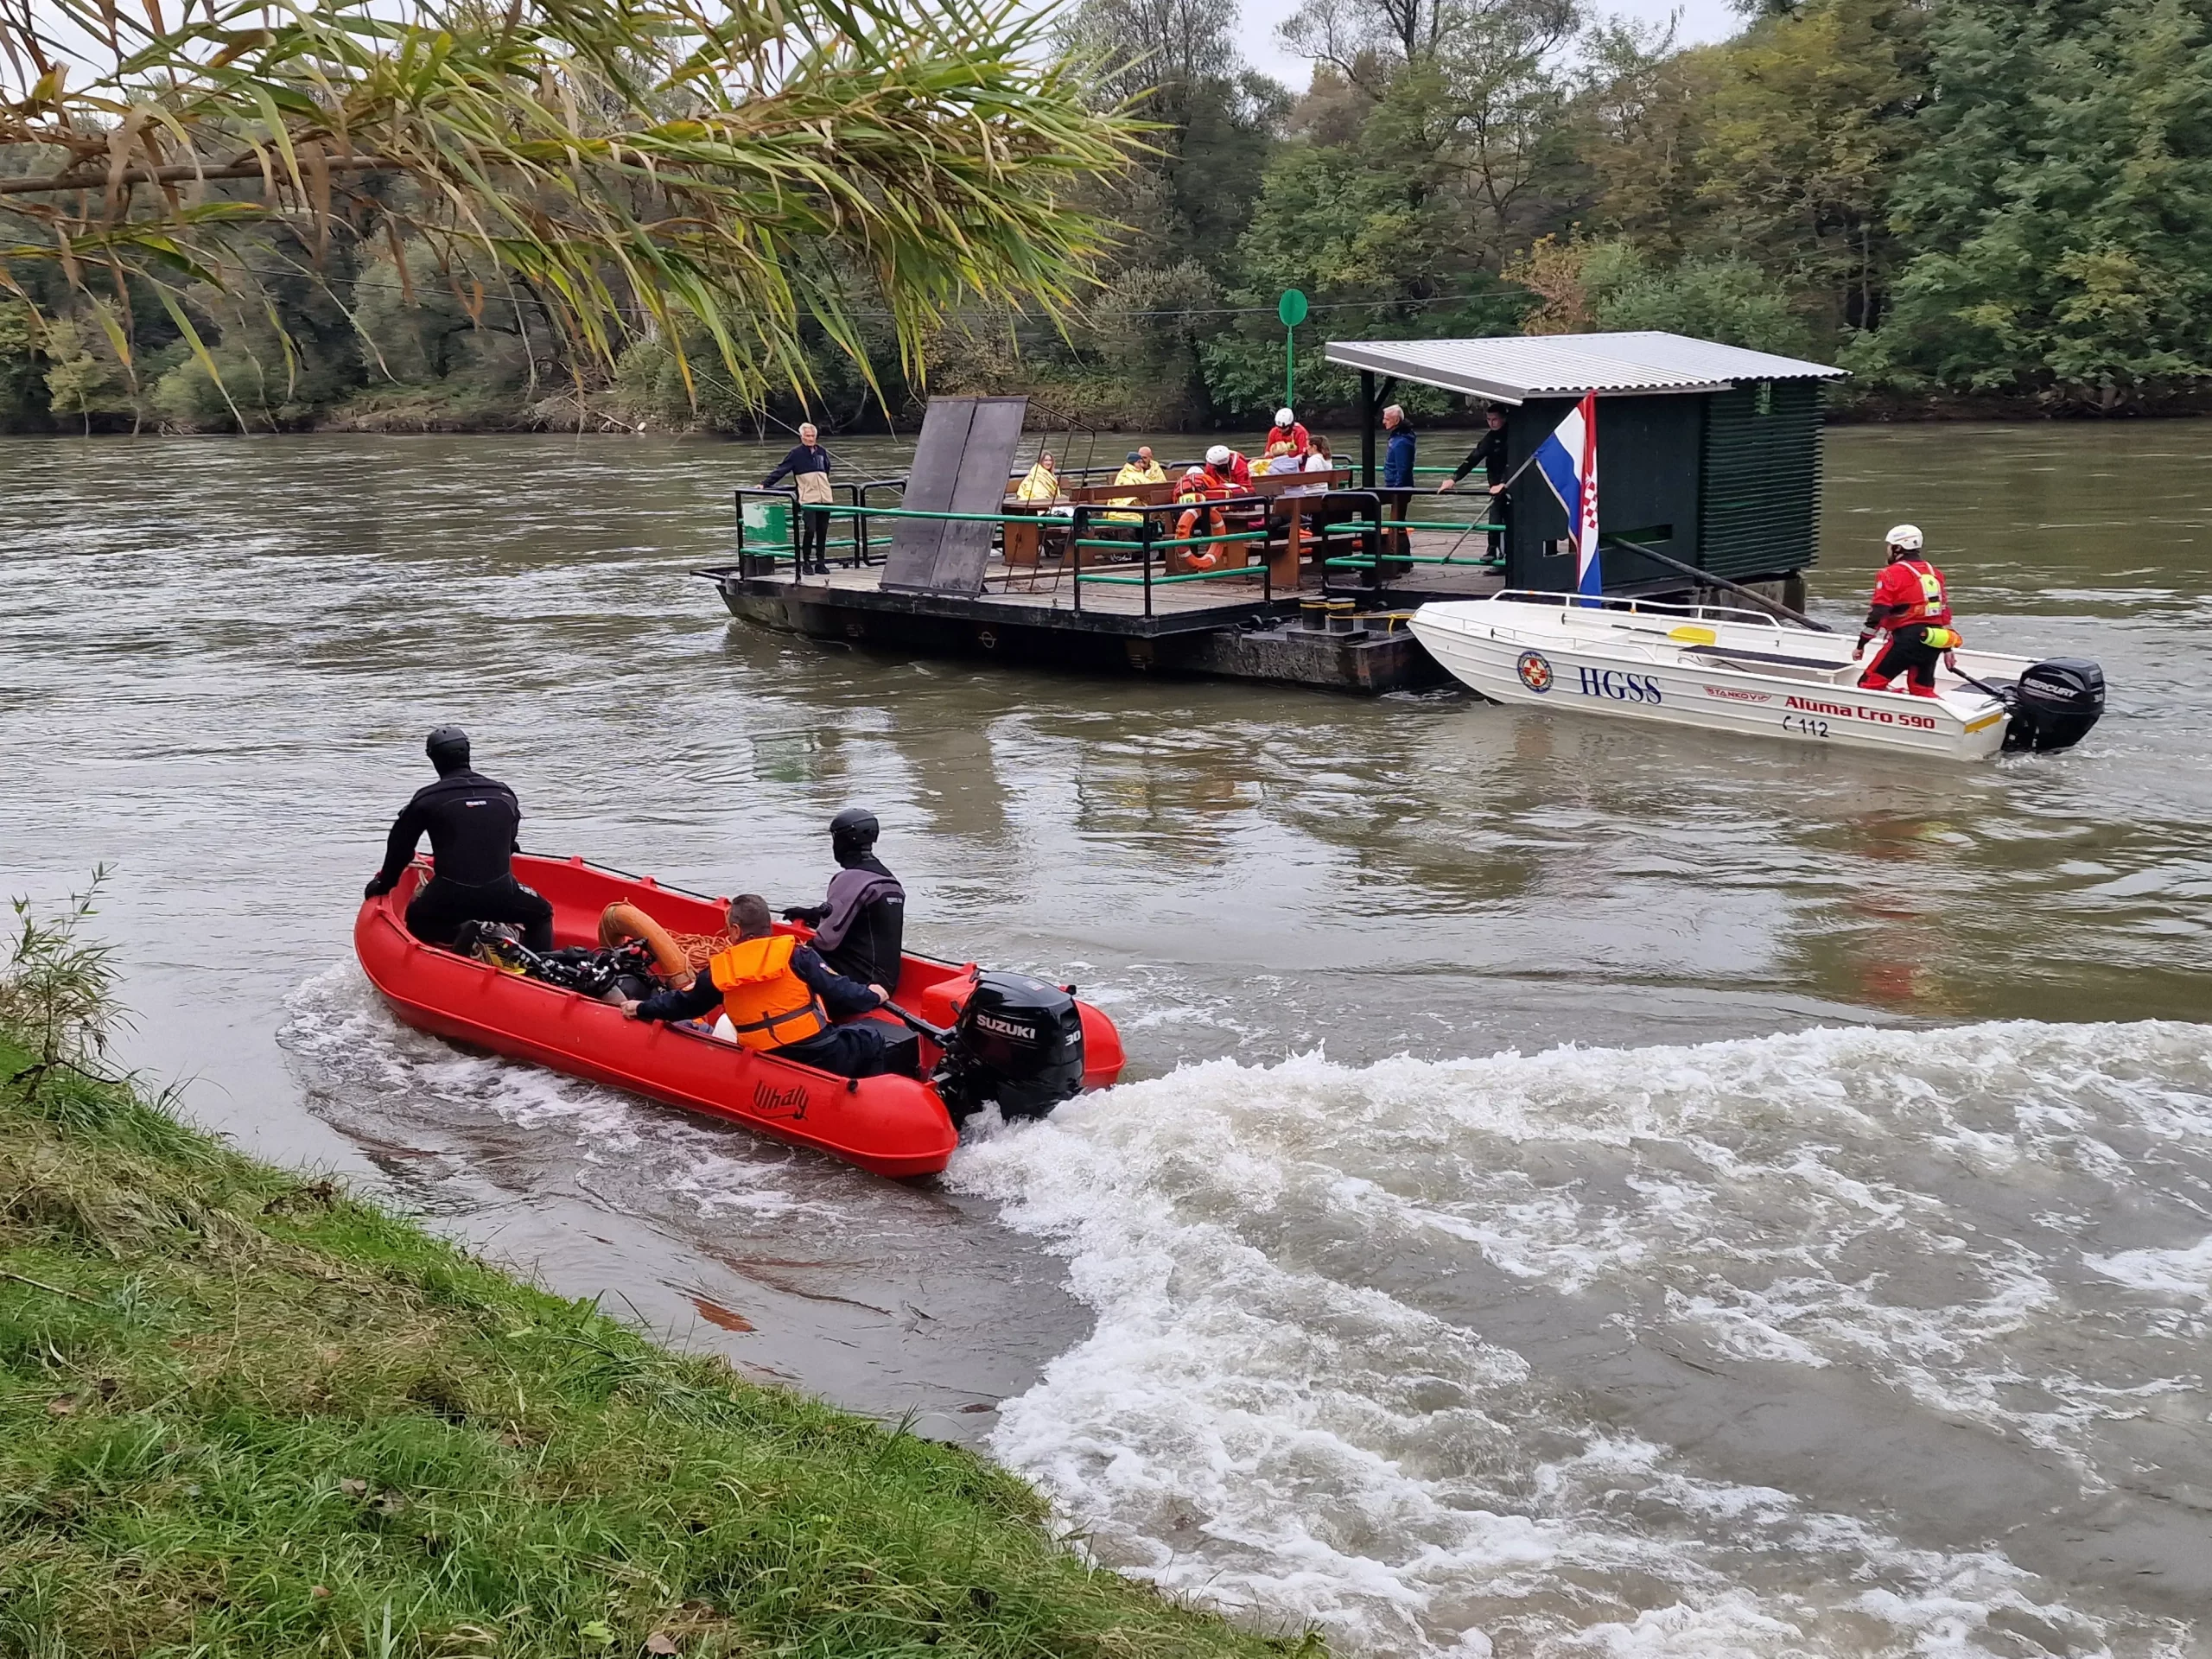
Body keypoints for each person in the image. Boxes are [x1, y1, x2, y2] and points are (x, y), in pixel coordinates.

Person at [622, 894, 903, 1080]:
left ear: (735, 930)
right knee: (870, 1037)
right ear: (769, 926)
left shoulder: (719, 970)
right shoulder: (797, 954)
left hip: (766, 1059)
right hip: (819, 1052)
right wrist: (873, 994)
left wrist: (642, 1008)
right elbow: (840, 990)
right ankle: (864, 1096)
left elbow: (682, 1004)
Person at [365, 727, 555, 953]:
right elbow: (509, 844)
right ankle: (540, 969)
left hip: (448, 898)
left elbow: (400, 850)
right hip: (502, 895)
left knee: (416, 918)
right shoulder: (504, 794)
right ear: (468, 752)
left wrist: (384, 884)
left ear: (433, 758)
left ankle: (460, 934)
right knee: (542, 913)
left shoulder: (426, 800)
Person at [781, 807, 906, 995]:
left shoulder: (850, 878)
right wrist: (809, 915)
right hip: (886, 980)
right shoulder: (890, 881)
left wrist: (796, 950)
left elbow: (826, 941)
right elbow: (855, 920)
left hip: (860, 984)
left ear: (842, 841)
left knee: (792, 956)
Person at [1854, 524, 1965, 697]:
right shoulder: (1935, 574)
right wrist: (1947, 648)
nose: (1888, 551)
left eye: (1889, 547)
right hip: (1934, 640)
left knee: (1868, 685)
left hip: (1905, 640)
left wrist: (1861, 644)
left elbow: (1879, 611)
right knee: (1922, 690)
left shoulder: (1889, 574)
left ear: (1898, 548)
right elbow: (1942, 613)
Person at [1439, 404, 1510, 557]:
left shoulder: (1514, 436)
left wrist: (1504, 482)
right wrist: (1454, 478)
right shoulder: (1489, 438)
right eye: (1489, 419)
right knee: (1495, 516)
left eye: (1495, 419)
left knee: (1506, 519)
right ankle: (1493, 550)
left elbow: (1516, 461)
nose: (1491, 423)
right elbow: (1473, 459)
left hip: (1511, 482)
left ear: (1503, 419)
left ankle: (1502, 554)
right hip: (1495, 484)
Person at [763, 422, 834, 574]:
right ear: (801, 436)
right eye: (807, 436)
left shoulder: (821, 451)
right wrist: (765, 484)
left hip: (825, 498)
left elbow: (827, 469)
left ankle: (821, 562)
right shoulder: (796, 453)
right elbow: (781, 470)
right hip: (808, 498)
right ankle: (806, 562)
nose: (810, 438)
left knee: (823, 531)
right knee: (810, 530)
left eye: (813, 436)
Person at [1380, 404, 1416, 566]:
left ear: (1396, 420)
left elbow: (1403, 468)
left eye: (1387, 419)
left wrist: (1398, 488)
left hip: (1399, 488)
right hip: (1396, 485)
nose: (1383, 422)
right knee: (1398, 522)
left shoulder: (1401, 441)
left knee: (1398, 523)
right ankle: (1403, 561)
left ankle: (1403, 561)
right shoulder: (1399, 438)